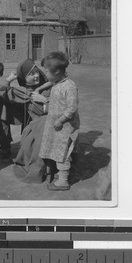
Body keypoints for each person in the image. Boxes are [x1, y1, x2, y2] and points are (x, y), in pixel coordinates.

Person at [0, 59, 52, 183]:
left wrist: (44, 100)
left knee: (32, 151)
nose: (36, 75)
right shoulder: (24, 91)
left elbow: (61, 108)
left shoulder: (47, 89)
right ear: (23, 77)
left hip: (47, 128)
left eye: (37, 72)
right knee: (4, 106)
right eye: (31, 74)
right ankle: (5, 145)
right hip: (33, 126)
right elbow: (1, 91)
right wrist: (9, 80)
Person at [39, 52, 80, 191]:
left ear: (56, 71)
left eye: (46, 70)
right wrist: (40, 89)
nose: (45, 73)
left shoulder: (69, 86)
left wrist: (61, 120)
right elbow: (50, 83)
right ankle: (61, 174)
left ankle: (63, 181)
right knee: (56, 149)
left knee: (62, 151)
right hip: (57, 124)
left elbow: (72, 108)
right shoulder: (58, 82)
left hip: (64, 125)